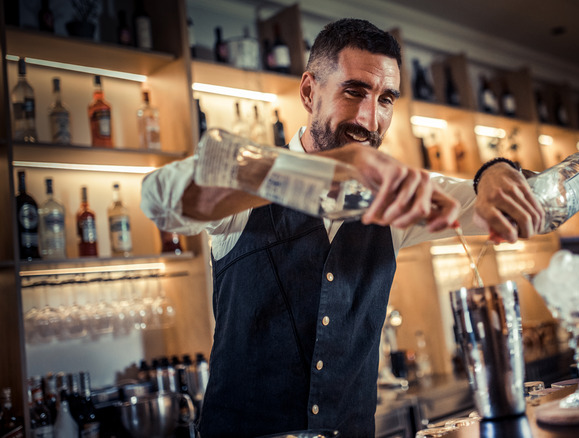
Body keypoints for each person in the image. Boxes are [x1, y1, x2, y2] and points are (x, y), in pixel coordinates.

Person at [141, 18, 544, 437]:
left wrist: (497, 170)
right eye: (354, 92)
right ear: (309, 91)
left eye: (386, 99)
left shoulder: (396, 198)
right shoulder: (246, 192)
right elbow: (159, 198)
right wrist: (327, 168)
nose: (370, 120)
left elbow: (546, 201)